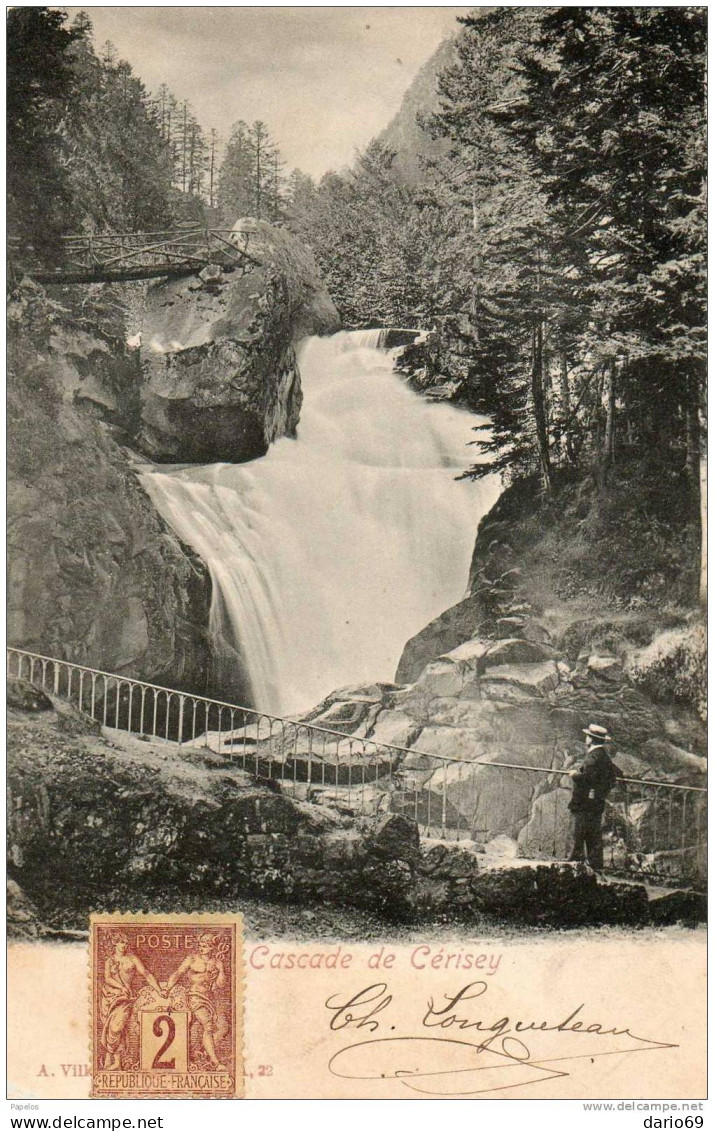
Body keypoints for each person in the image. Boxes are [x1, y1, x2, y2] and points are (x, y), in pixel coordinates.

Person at [163, 932, 229, 1070]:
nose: (201, 948)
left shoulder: (217, 962)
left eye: (205, 946)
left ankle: (200, 1054)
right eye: (200, 945)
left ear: (212, 948)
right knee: (208, 1025)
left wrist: (218, 972)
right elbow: (177, 974)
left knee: (219, 1027)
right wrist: (167, 988)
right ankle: (216, 1063)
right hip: (194, 997)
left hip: (209, 999)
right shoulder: (192, 959)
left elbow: (221, 984)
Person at [100, 931, 164, 1070]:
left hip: (125, 998)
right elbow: (107, 978)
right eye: (121, 942)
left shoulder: (132, 959)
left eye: (126, 943)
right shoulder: (109, 961)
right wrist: (121, 986)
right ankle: (115, 1059)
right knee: (112, 1028)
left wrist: (159, 989)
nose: (124, 945)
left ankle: (111, 1054)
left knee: (116, 1027)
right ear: (115, 943)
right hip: (110, 997)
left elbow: (146, 974)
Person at [567, 723, 621, 872]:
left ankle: (573, 871)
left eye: (587, 736)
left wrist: (575, 775)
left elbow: (587, 778)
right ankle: (596, 871)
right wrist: (600, 793)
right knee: (594, 838)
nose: (586, 738)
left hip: (583, 803)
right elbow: (615, 775)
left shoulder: (593, 757)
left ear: (590, 739)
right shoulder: (604, 756)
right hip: (596, 803)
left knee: (576, 837)